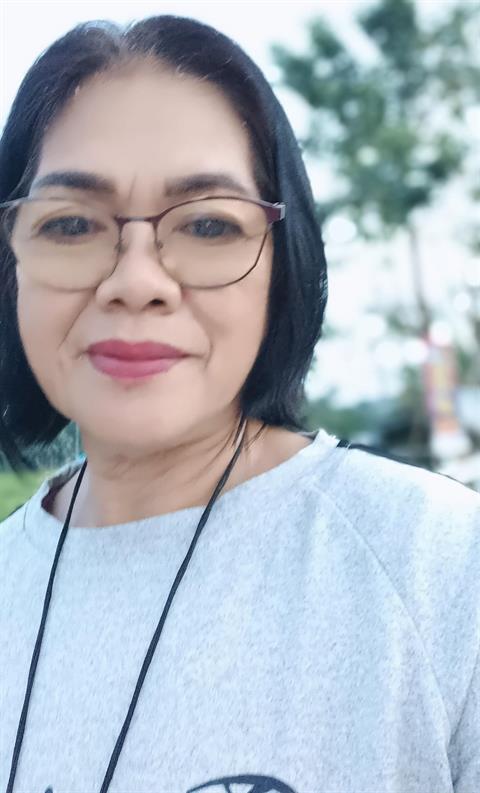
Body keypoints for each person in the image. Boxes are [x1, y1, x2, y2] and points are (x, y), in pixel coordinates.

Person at [0, 15, 478, 793]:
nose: (137, 281)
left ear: (282, 263)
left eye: (208, 223)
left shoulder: (443, 570)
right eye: (72, 223)